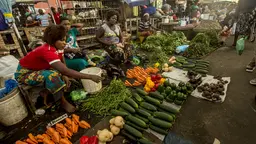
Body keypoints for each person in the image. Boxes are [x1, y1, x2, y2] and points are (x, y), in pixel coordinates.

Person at [15, 25, 102, 112]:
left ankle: (47, 92)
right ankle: (62, 102)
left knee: (61, 74)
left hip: (41, 69)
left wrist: (65, 75)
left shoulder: (59, 47)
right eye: (61, 40)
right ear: (53, 40)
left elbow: (63, 63)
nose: (64, 43)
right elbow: (64, 70)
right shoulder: (47, 50)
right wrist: (90, 77)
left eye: (65, 39)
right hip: (25, 73)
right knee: (52, 76)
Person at [96, 10, 131, 76]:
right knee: (119, 52)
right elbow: (97, 38)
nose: (114, 20)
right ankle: (117, 68)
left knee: (129, 48)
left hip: (118, 44)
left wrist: (122, 43)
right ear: (108, 18)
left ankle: (124, 65)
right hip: (108, 45)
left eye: (115, 18)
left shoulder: (117, 27)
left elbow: (121, 37)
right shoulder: (104, 27)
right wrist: (108, 43)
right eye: (113, 18)